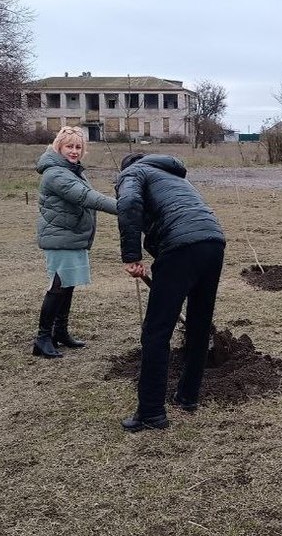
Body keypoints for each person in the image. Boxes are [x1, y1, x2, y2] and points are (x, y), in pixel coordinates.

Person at [116, 153, 226, 432]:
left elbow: (129, 203)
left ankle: (151, 412)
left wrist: (132, 255)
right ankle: (188, 396)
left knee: (156, 332)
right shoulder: (173, 175)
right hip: (213, 241)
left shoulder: (133, 173)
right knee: (198, 324)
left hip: (181, 248)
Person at [33, 126, 118, 359]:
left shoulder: (71, 170)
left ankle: (60, 332)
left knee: (68, 285)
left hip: (70, 235)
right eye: (69, 146)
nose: (74, 151)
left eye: (78, 147)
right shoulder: (55, 173)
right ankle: (42, 338)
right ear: (58, 146)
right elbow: (85, 197)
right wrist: (124, 208)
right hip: (60, 236)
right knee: (58, 287)